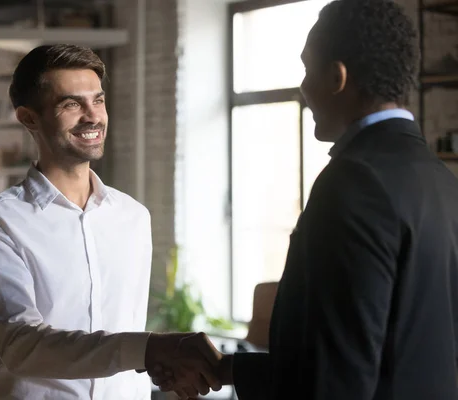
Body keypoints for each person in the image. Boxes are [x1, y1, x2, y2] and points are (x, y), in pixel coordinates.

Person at [151, 0, 458, 399]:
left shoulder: (354, 184)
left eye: (307, 69)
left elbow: (336, 381)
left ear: (337, 77)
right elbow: (384, 354)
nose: (302, 88)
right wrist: (230, 368)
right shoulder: (442, 181)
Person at [0, 44, 220, 400]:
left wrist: (159, 364)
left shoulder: (133, 217)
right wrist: (147, 350)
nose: (92, 116)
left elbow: (124, 331)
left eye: (98, 101)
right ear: (29, 118)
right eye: (71, 104)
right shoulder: (0, 222)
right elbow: (21, 345)